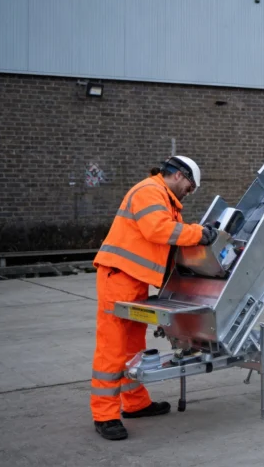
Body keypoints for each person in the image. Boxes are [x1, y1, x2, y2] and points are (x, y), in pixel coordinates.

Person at [89, 155, 217, 441]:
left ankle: (135, 404)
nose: (190, 192)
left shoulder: (162, 197)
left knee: (133, 346)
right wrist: (199, 234)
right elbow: (158, 230)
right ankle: (105, 415)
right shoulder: (150, 191)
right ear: (180, 176)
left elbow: (167, 239)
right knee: (113, 347)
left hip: (131, 280)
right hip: (118, 278)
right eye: (191, 186)